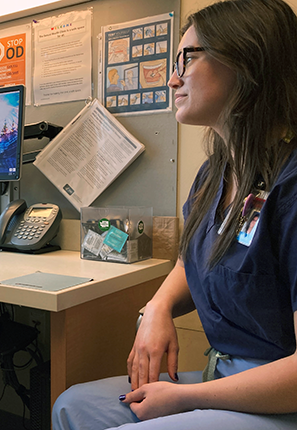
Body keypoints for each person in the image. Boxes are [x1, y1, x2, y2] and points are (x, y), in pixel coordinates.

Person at [52, 0, 297, 429]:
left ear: (247, 57)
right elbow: (195, 259)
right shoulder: (214, 175)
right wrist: (158, 306)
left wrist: (185, 398)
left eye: (187, 58)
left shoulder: (291, 184)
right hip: (218, 375)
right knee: (72, 406)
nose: (171, 78)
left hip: (277, 397)